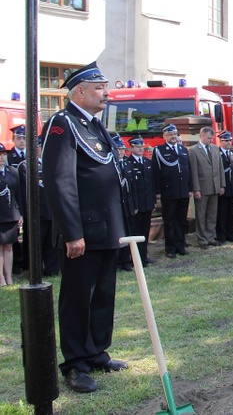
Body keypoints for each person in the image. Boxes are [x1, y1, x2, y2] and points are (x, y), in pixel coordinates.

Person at [41, 61, 129, 393]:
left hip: (106, 227)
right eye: (99, 88)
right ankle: (75, 362)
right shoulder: (62, 124)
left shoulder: (93, 125)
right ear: (80, 91)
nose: (106, 93)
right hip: (83, 230)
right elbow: (59, 181)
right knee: (78, 297)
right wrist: (72, 232)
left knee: (104, 293)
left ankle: (96, 352)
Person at [18, 136, 59, 276]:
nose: (40, 149)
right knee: (37, 243)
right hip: (38, 210)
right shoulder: (26, 165)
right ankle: (35, 270)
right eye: (38, 146)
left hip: (52, 209)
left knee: (51, 242)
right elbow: (27, 190)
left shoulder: (51, 162)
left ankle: (51, 269)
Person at [154, 123, 192, 258]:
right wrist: (158, 192)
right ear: (164, 136)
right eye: (170, 134)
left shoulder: (183, 150)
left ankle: (180, 245)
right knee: (169, 220)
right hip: (168, 192)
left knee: (181, 220)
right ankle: (170, 248)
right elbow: (156, 172)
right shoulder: (159, 150)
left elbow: (189, 170)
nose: (173, 136)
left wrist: (190, 188)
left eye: (175, 133)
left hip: (183, 191)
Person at [189, 127, 225, 249]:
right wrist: (196, 189)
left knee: (212, 214)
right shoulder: (193, 150)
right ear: (202, 135)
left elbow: (220, 168)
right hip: (202, 189)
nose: (211, 140)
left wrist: (221, 185)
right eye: (209, 138)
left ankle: (211, 237)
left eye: (212, 138)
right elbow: (193, 172)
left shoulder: (215, 149)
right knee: (201, 215)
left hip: (215, 187)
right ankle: (202, 239)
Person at [126, 136, 156, 267]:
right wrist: (134, 205)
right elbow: (132, 189)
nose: (140, 149)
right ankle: (134, 258)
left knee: (145, 231)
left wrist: (153, 201)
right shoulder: (128, 163)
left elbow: (151, 184)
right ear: (131, 148)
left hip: (147, 203)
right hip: (137, 205)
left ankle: (144, 256)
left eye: (142, 146)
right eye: (137, 147)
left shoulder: (147, 162)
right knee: (135, 231)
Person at [113, 134, 137, 271]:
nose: (121, 151)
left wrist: (134, 205)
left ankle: (126, 260)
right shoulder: (111, 164)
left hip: (128, 204)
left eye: (122, 149)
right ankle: (117, 262)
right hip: (116, 205)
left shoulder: (128, 164)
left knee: (129, 232)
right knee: (118, 234)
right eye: (118, 149)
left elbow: (132, 187)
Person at [0, 143, 22, 286]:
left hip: (11, 214)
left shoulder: (13, 171)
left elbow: (18, 195)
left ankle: (9, 277)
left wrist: (21, 214)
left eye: (3, 154)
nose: (2, 157)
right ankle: (1, 278)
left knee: (8, 246)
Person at [7, 125, 27, 274]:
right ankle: (17, 263)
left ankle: (28, 261)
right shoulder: (9, 157)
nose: (22, 141)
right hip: (14, 200)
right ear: (14, 139)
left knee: (31, 233)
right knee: (13, 235)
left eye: (24, 138)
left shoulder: (32, 155)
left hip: (30, 198)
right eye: (19, 138)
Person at [216, 131, 233, 243]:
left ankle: (231, 234)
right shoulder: (216, 154)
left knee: (232, 213)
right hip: (222, 189)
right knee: (222, 214)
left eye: (229, 140)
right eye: (226, 140)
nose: (228, 142)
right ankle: (221, 236)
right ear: (220, 141)